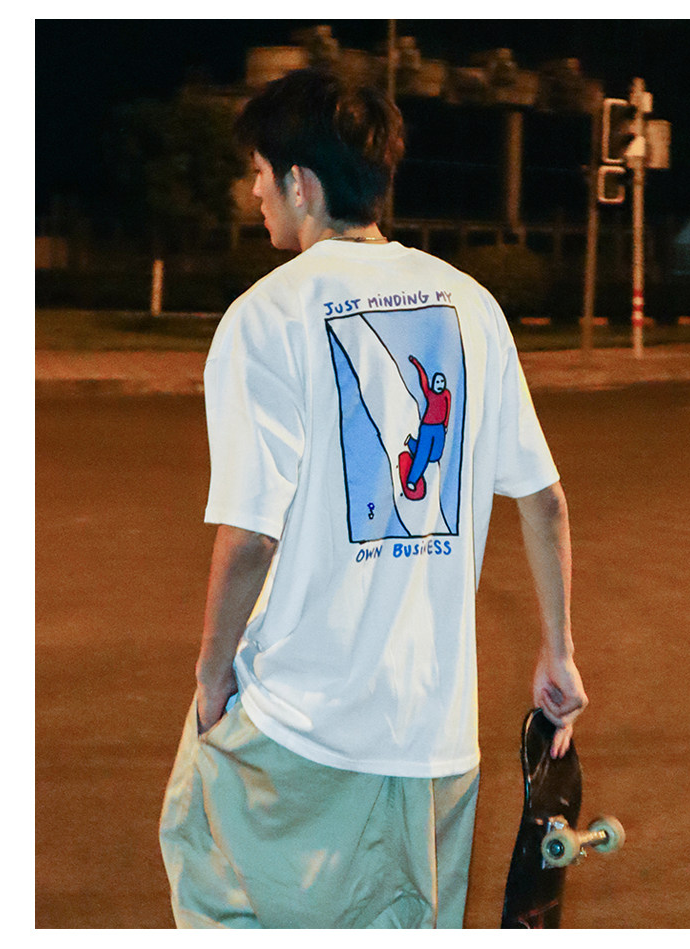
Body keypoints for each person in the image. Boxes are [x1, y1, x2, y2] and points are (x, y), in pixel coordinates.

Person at [159, 67, 587, 930]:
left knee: (203, 860)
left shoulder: (266, 317)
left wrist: (211, 677)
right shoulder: (473, 305)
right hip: (436, 739)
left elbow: (250, 537)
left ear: (301, 183)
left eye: (259, 172)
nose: (253, 191)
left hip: (302, 725)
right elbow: (544, 500)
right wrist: (559, 651)